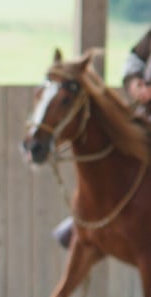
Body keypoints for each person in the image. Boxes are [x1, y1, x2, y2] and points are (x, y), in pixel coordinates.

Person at [52, 33, 151, 249]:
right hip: (145, 115)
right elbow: (135, 60)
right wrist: (135, 84)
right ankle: (91, 220)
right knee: (114, 147)